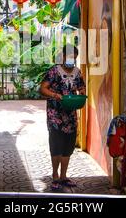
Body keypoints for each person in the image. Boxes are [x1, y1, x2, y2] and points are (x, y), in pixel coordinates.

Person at [40, 45, 86, 191]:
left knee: (68, 146)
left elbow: (81, 88)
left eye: (75, 58)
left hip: (71, 116)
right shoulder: (54, 71)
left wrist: (81, 93)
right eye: (69, 57)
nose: (72, 60)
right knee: (56, 145)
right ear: (63, 57)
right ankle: (55, 176)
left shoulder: (78, 73)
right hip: (55, 116)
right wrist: (55, 95)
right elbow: (42, 89)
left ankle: (64, 176)